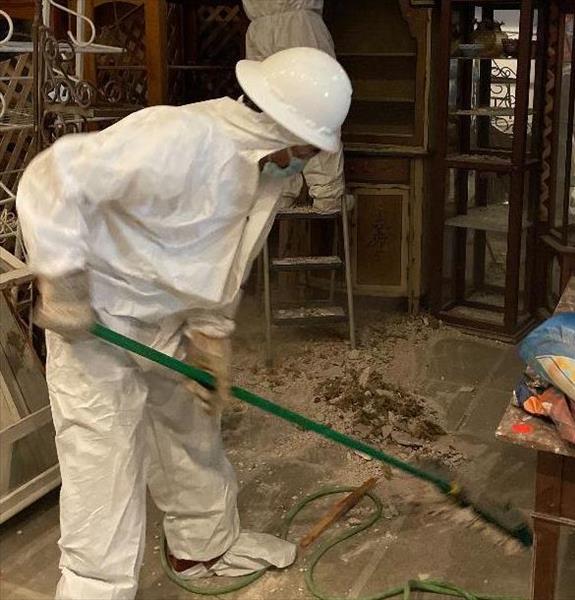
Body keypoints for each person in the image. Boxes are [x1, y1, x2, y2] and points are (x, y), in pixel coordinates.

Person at [16, 47, 352, 600]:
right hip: (97, 322)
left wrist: (210, 336)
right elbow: (51, 178)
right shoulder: (179, 137)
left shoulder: (262, 172)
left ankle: (205, 545)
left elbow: (224, 260)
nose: (309, 158)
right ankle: (94, 590)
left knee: (192, 434)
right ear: (283, 127)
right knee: (104, 460)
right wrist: (63, 277)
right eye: (310, 147)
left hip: (166, 322)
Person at [243, 0, 346, 212]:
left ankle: (283, 192)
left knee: (274, 111)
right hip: (289, 23)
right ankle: (325, 192)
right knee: (317, 106)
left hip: (267, 24)